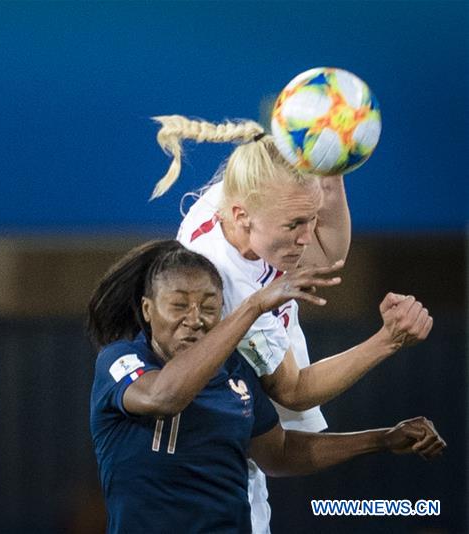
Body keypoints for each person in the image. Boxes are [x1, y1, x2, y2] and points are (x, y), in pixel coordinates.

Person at [149, 115, 434, 532]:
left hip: (238, 435)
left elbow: (328, 255)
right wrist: (387, 340)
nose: (306, 236)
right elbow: (294, 391)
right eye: (294, 225)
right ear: (242, 216)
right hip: (212, 466)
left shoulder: (247, 193)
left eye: (311, 218)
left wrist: (331, 172)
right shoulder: (225, 284)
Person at [88, 240, 445, 533]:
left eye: (209, 307)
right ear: (147, 310)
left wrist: (383, 439)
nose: (194, 320)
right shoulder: (122, 361)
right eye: (179, 305)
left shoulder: (235, 371)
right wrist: (255, 306)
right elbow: (164, 396)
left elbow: (279, 453)